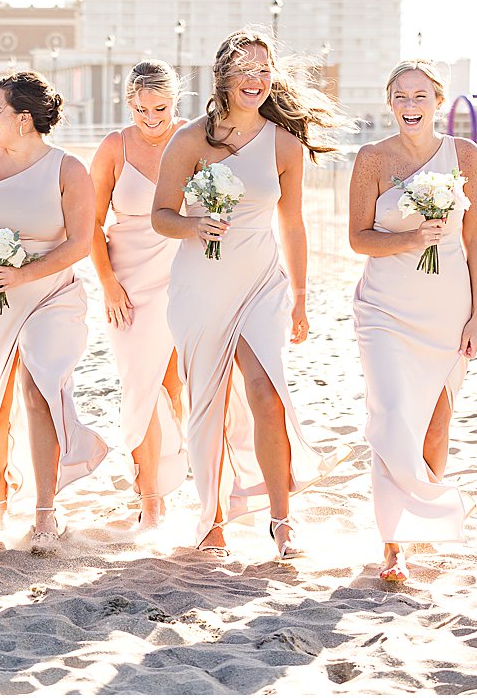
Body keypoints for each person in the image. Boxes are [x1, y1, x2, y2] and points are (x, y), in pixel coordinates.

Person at [151, 30, 351, 560]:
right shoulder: (190, 140)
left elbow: (293, 226)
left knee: (268, 393)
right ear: (223, 76)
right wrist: (196, 224)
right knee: (208, 402)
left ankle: (282, 521)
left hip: (262, 283)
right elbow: (161, 216)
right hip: (201, 286)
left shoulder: (284, 144)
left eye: (264, 69)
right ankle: (211, 518)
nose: (256, 79)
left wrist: (301, 298)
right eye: (245, 69)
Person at [0, 71, 109, 556]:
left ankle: (46, 513)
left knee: (38, 381)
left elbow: (81, 243)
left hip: (50, 293)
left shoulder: (68, 170)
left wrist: (27, 274)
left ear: (24, 120)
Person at [349, 59, 477, 582]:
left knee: (435, 420)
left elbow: (475, 237)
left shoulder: (465, 156)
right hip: (383, 308)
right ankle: (393, 545)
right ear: (390, 102)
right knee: (392, 414)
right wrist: (411, 239)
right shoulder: (371, 159)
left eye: (420, 96)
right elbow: (358, 238)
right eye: (401, 97)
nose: (410, 106)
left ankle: (421, 520)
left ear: (438, 100)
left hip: (446, 309)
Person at [89, 61, 188, 527]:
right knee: (140, 386)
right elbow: (88, 223)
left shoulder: (193, 138)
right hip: (127, 281)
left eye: (160, 107)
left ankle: (165, 478)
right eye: (141, 108)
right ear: (129, 103)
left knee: (173, 386)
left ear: (176, 102)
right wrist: (108, 283)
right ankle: (151, 500)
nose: (150, 118)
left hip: (183, 276)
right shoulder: (114, 147)